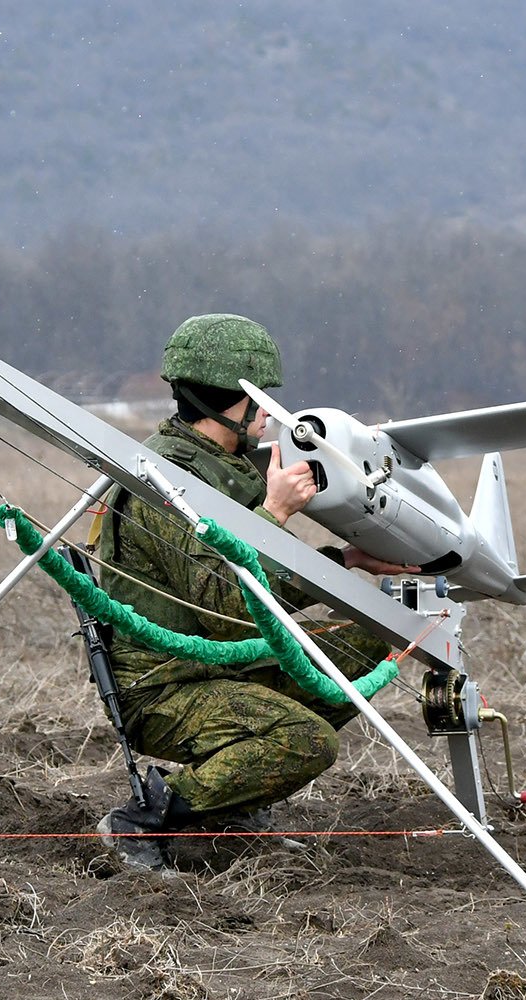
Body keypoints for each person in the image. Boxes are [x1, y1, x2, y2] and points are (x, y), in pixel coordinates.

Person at [90, 313, 418, 871]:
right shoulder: (168, 480)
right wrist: (274, 514)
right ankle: (148, 819)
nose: (269, 414)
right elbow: (227, 611)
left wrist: (344, 560)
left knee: (374, 637)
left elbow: (254, 595)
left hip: (224, 665)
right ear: (224, 402)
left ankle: (231, 805)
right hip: (168, 685)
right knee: (306, 740)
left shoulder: (220, 466)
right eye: (259, 400)